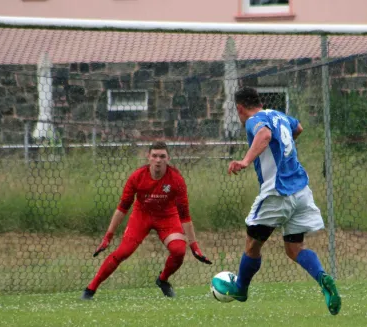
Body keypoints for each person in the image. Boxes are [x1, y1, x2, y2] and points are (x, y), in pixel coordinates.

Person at [217, 86, 341, 315]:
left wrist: (245, 161)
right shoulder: (279, 115)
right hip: (301, 191)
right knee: (294, 248)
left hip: (277, 192)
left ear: (239, 108)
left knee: (252, 245)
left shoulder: (254, 120)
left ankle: (241, 289)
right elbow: (299, 127)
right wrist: (284, 148)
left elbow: (264, 135)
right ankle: (323, 277)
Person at [82, 141, 212, 300]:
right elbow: (122, 208)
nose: (158, 160)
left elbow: (184, 215)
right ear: (148, 157)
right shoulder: (137, 177)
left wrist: (194, 246)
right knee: (123, 252)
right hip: (141, 216)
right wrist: (108, 237)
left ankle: (163, 280)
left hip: (167, 217)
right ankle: (90, 290)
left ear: (168, 158)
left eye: (162, 156)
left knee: (179, 250)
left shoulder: (177, 179)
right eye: (155, 156)